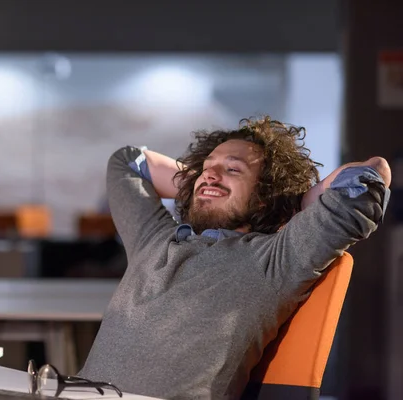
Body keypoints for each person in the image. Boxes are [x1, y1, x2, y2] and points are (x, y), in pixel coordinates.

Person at [78, 117, 391, 400]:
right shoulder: (154, 238)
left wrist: (293, 201)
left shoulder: (274, 259)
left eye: (232, 169)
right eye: (205, 167)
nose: (210, 175)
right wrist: (196, 181)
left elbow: (369, 176)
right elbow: (127, 162)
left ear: (265, 194)